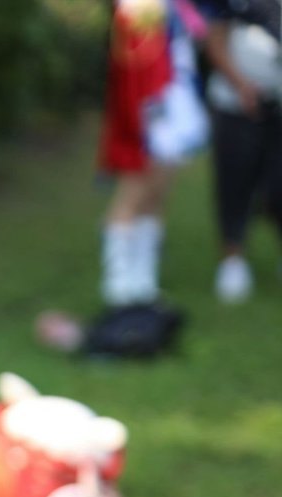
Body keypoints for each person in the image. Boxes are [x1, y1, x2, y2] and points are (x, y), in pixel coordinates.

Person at [96, 0, 209, 309]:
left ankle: (143, 284)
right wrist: (148, 120)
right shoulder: (139, 6)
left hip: (171, 108)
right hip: (152, 115)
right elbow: (136, 65)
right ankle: (118, 287)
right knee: (133, 195)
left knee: (157, 195)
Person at [202, 0, 282, 303]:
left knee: (278, 186)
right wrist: (242, 86)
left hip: (278, 107)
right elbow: (215, 40)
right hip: (235, 106)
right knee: (234, 183)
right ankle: (233, 260)